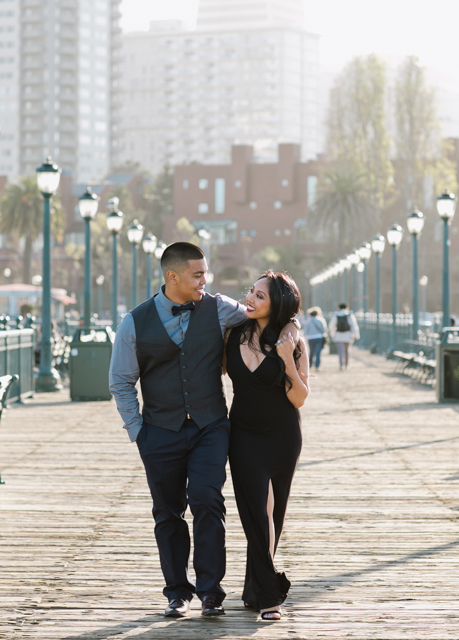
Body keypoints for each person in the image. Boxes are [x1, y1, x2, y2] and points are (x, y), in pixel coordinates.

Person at [108, 242, 299, 619]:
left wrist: (290, 323)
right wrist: (138, 432)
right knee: (167, 513)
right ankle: (177, 592)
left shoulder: (219, 307)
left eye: (206, 273)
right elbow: (120, 382)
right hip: (158, 430)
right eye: (198, 275)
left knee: (207, 500)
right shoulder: (133, 322)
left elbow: (263, 311)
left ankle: (211, 591)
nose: (205, 281)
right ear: (172, 276)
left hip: (211, 426)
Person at [224, 271, 309, 621]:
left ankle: (254, 588)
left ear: (277, 305)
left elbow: (300, 398)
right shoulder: (232, 333)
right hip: (242, 434)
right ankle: (270, 595)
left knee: (273, 513)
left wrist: (288, 359)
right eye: (251, 292)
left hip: (283, 435)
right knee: (256, 513)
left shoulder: (292, 340)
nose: (250, 299)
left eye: (260, 296)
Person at [329, 303, 359, 370]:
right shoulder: (349, 315)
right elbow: (354, 325)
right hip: (348, 335)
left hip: (338, 336)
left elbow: (331, 326)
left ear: (339, 308)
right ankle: (346, 365)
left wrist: (332, 335)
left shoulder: (336, 315)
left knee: (340, 351)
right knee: (347, 351)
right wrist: (356, 335)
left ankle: (341, 365)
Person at [302, 307, 327, 371]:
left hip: (310, 338)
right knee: (318, 352)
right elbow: (324, 330)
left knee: (311, 352)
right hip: (319, 337)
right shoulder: (321, 320)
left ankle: (309, 365)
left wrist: (304, 337)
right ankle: (317, 366)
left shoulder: (308, 321)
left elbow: (305, 332)